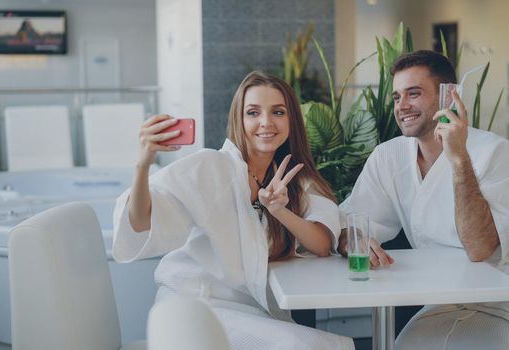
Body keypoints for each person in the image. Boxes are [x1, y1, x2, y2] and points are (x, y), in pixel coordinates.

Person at [339, 50, 509, 349]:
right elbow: (352, 221)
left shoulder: (496, 152)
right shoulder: (388, 156)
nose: (402, 106)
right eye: (397, 97)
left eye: (413, 94)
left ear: (448, 96)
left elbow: (480, 249)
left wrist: (459, 158)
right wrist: (351, 238)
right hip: (445, 299)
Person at [112, 71, 354, 350]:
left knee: (314, 344)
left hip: (246, 311)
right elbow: (141, 222)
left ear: (292, 121)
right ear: (239, 120)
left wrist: (280, 212)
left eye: (278, 112)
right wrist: (142, 164)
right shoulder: (211, 166)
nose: (266, 123)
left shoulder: (295, 178)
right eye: (253, 112)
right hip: (191, 309)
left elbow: (322, 243)